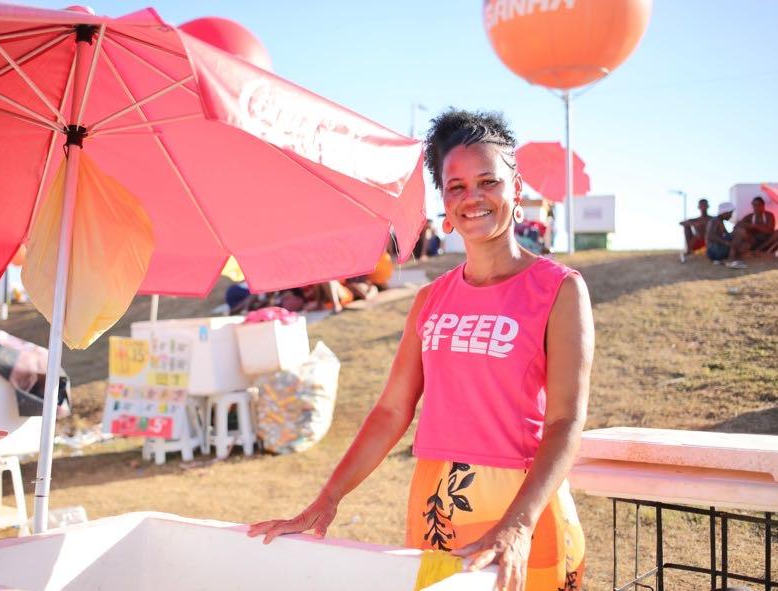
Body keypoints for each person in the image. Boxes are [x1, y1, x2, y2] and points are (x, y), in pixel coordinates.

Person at [248, 109, 593, 590]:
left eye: (488, 181)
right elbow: (392, 410)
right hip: (438, 504)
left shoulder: (559, 289)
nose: (473, 197)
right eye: (456, 187)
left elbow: (565, 422)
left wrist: (518, 524)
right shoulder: (432, 299)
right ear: (445, 203)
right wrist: (328, 498)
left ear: (516, 189)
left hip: (524, 507)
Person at [706, 202, 747, 268]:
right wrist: (727, 243)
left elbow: (726, 235)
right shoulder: (715, 220)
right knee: (739, 231)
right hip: (714, 251)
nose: (731, 215)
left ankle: (733, 255)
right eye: (730, 213)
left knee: (743, 241)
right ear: (725, 212)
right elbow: (711, 236)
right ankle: (731, 257)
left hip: (717, 250)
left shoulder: (720, 221)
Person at [679, 199, 711, 263]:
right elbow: (681, 223)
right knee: (686, 226)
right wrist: (694, 224)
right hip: (696, 242)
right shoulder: (696, 220)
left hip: (709, 243)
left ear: (708, 206)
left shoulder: (712, 219)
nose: (703, 207)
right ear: (698, 207)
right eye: (702, 205)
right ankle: (689, 250)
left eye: (705, 205)